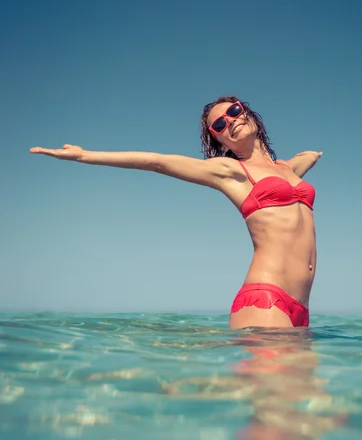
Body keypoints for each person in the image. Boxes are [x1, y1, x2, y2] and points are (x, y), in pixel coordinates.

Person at [30, 96, 322, 328]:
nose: (229, 121)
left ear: (248, 113)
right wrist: (83, 156)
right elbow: (157, 161)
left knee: (309, 398)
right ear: (218, 141)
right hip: (266, 298)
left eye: (234, 111)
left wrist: (313, 154)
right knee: (279, 398)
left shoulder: (287, 169)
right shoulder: (230, 171)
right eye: (218, 125)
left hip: (302, 306)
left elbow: (303, 159)